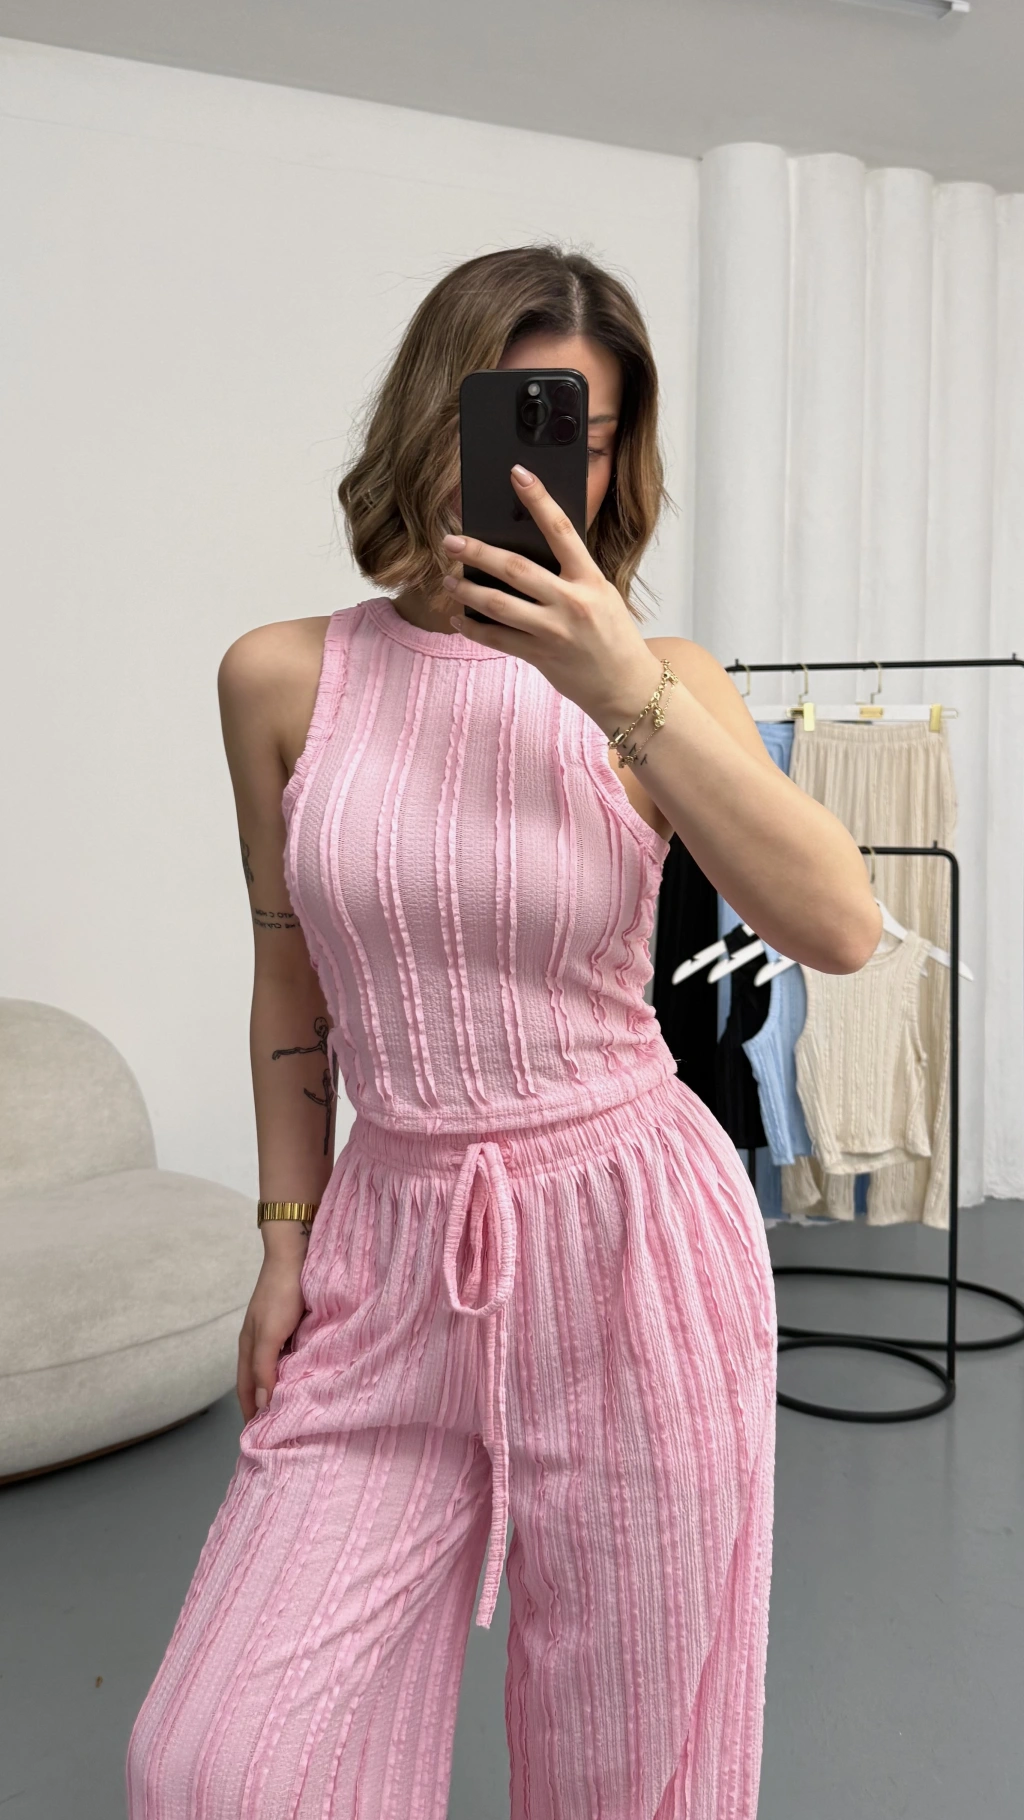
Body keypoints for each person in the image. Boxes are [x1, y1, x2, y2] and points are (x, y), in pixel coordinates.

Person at [126, 243, 881, 1820]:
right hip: (391, 1255)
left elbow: (842, 927)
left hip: (635, 1245)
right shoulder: (284, 678)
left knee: (628, 1769)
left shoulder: (663, 683)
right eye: (518, 418)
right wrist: (284, 1240)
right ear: (437, 418)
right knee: (217, 1764)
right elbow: (289, 980)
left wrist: (621, 691)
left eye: (586, 434)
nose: (554, 467)